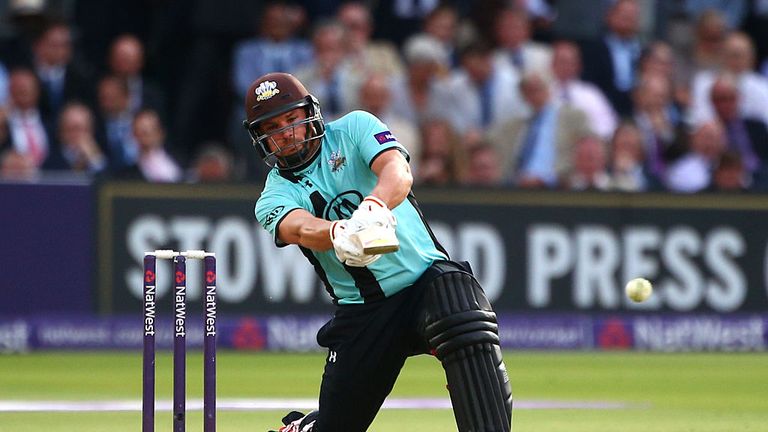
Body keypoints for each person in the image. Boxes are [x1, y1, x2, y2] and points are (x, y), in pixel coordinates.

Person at [244, 72, 512, 432]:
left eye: (292, 119)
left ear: (308, 113)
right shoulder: (272, 196)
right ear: (261, 137)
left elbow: (397, 171)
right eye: (273, 127)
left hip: (425, 283)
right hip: (363, 312)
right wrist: (341, 233)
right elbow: (301, 228)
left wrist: (372, 207)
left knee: (462, 312)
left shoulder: (354, 127)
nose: (287, 132)